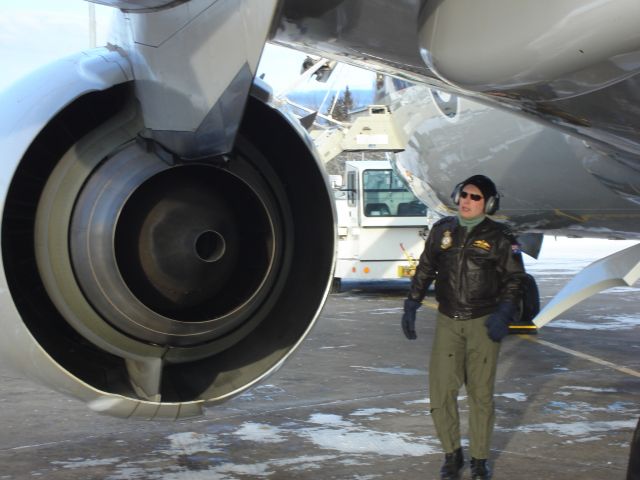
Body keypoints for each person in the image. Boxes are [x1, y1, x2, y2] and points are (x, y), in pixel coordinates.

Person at [401, 175, 524, 480]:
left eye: (476, 197)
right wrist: (412, 302)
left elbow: (515, 279)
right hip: (448, 321)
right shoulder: (443, 230)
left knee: (481, 396)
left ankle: (480, 461)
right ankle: (452, 455)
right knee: (441, 393)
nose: (467, 201)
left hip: (483, 323)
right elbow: (427, 266)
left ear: (489, 204)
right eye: (464, 195)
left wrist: (504, 312)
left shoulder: (501, 237)